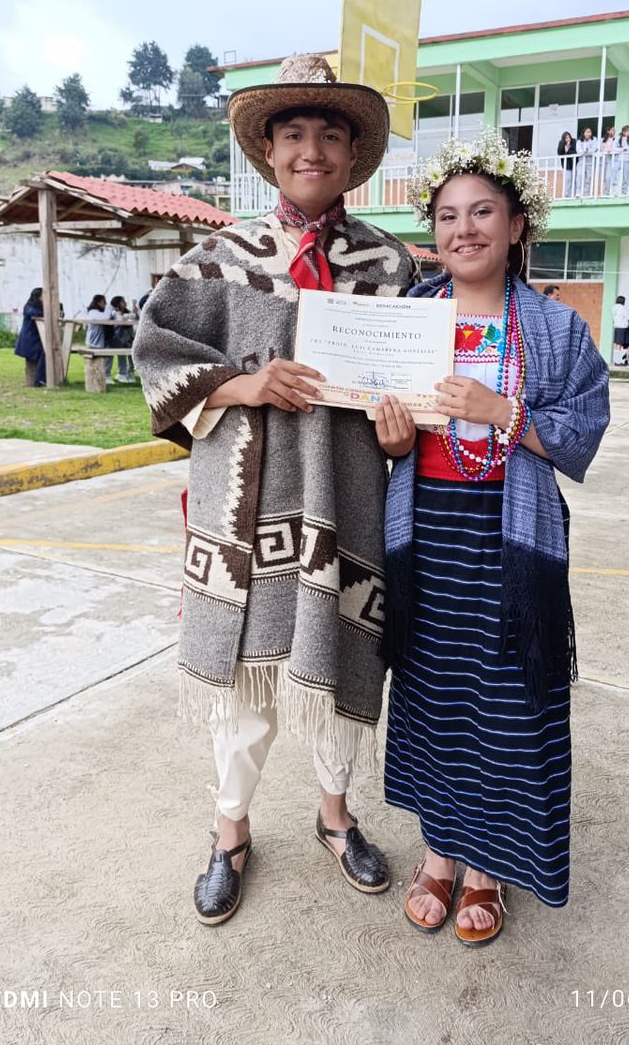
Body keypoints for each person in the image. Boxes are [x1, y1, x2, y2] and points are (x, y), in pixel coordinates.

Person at [132, 54, 417, 927]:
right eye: (293, 133)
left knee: (341, 674)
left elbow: (413, 385)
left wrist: (404, 429)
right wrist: (243, 384)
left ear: (350, 153)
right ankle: (229, 834)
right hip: (245, 507)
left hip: (350, 499)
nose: (311, 149)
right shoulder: (216, 262)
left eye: (329, 134)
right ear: (267, 149)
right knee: (247, 690)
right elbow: (156, 356)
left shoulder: (391, 267)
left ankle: (336, 817)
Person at [383, 131, 609, 946]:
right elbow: (390, 439)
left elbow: (581, 431)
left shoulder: (552, 329)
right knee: (435, 695)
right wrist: (394, 438)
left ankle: (487, 871)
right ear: (432, 232)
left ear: (517, 225)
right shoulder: (407, 318)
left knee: (511, 701)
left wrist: (502, 413)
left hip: (513, 542)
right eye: (447, 216)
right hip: (426, 535)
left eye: (483, 211)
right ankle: (440, 852)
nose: (463, 229)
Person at [14, 287, 46, 387]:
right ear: (38, 297)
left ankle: (43, 378)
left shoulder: (40, 307)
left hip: (37, 338)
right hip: (29, 340)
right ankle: (39, 379)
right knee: (44, 352)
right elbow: (35, 313)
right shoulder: (29, 306)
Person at [85, 295, 114, 384]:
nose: (105, 304)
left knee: (109, 353)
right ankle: (102, 376)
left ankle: (106, 375)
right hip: (94, 342)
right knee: (105, 356)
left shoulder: (98, 312)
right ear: (98, 303)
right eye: (103, 302)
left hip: (101, 341)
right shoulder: (93, 312)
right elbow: (106, 317)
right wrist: (109, 307)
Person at [109, 295, 136, 383]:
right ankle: (122, 374)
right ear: (118, 303)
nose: (125, 303)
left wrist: (131, 313)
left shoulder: (126, 311)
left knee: (132, 356)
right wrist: (128, 316)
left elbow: (135, 316)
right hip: (118, 338)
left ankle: (129, 373)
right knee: (122, 355)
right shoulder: (113, 312)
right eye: (123, 301)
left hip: (129, 338)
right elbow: (120, 319)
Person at [575, 126, 599, 196]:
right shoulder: (579, 141)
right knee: (579, 176)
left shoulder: (594, 140)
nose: (588, 134)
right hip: (581, 161)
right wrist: (585, 151)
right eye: (587, 132)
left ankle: (586, 193)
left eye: (590, 132)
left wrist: (586, 151)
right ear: (584, 133)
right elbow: (579, 152)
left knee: (589, 178)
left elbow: (594, 149)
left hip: (590, 161)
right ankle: (578, 192)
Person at [612, 294, 629, 364]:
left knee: (616, 345)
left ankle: (616, 360)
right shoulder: (622, 308)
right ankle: (618, 361)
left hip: (616, 328)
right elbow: (628, 317)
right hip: (622, 328)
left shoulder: (614, 308)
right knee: (620, 345)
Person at [616, 125, 629, 194]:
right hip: (619, 159)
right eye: (628, 131)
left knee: (626, 176)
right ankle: (614, 188)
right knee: (613, 170)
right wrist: (622, 149)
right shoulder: (618, 138)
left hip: (627, 159)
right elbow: (614, 148)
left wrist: (627, 149)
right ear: (624, 132)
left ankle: (624, 191)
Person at [556, 131, 576, 197]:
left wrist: (568, 150)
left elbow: (575, 152)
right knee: (567, 180)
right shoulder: (561, 143)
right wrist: (566, 150)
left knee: (574, 180)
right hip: (566, 165)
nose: (568, 139)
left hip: (574, 164)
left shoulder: (574, 142)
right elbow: (559, 153)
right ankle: (566, 195)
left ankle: (573, 195)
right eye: (566, 138)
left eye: (569, 137)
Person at [600, 125, 616, 195]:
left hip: (611, 158)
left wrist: (611, 151)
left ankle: (608, 192)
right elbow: (600, 149)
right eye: (612, 130)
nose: (614, 131)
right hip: (603, 159)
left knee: (608, 177)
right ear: (608, 131)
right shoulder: (602, 140)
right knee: (603, 177)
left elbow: (616, 148)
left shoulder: (616, 139)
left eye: (614, 130)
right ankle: (604, 192)